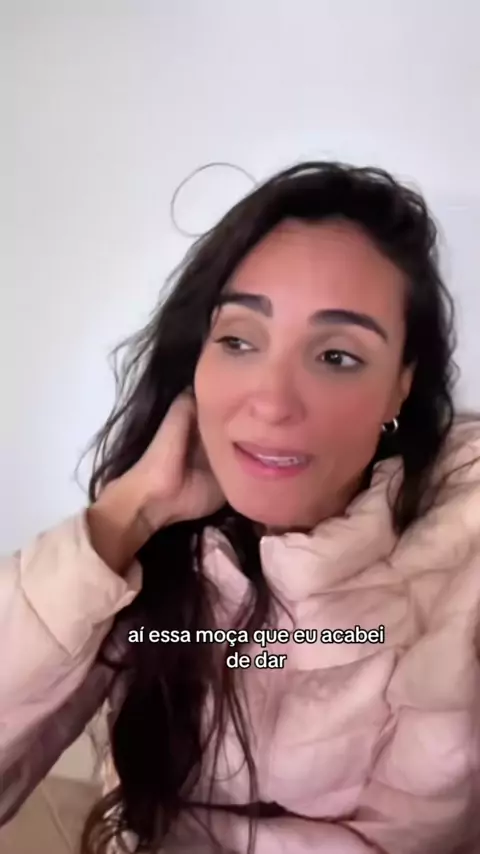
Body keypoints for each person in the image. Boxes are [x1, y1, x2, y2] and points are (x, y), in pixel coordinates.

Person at [1, 161, 480, 854]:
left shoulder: (465, 535)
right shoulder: (155, 549)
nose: (272, 402)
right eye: (238, 341)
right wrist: (128, 515)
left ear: (399, 389)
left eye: (337, 357)